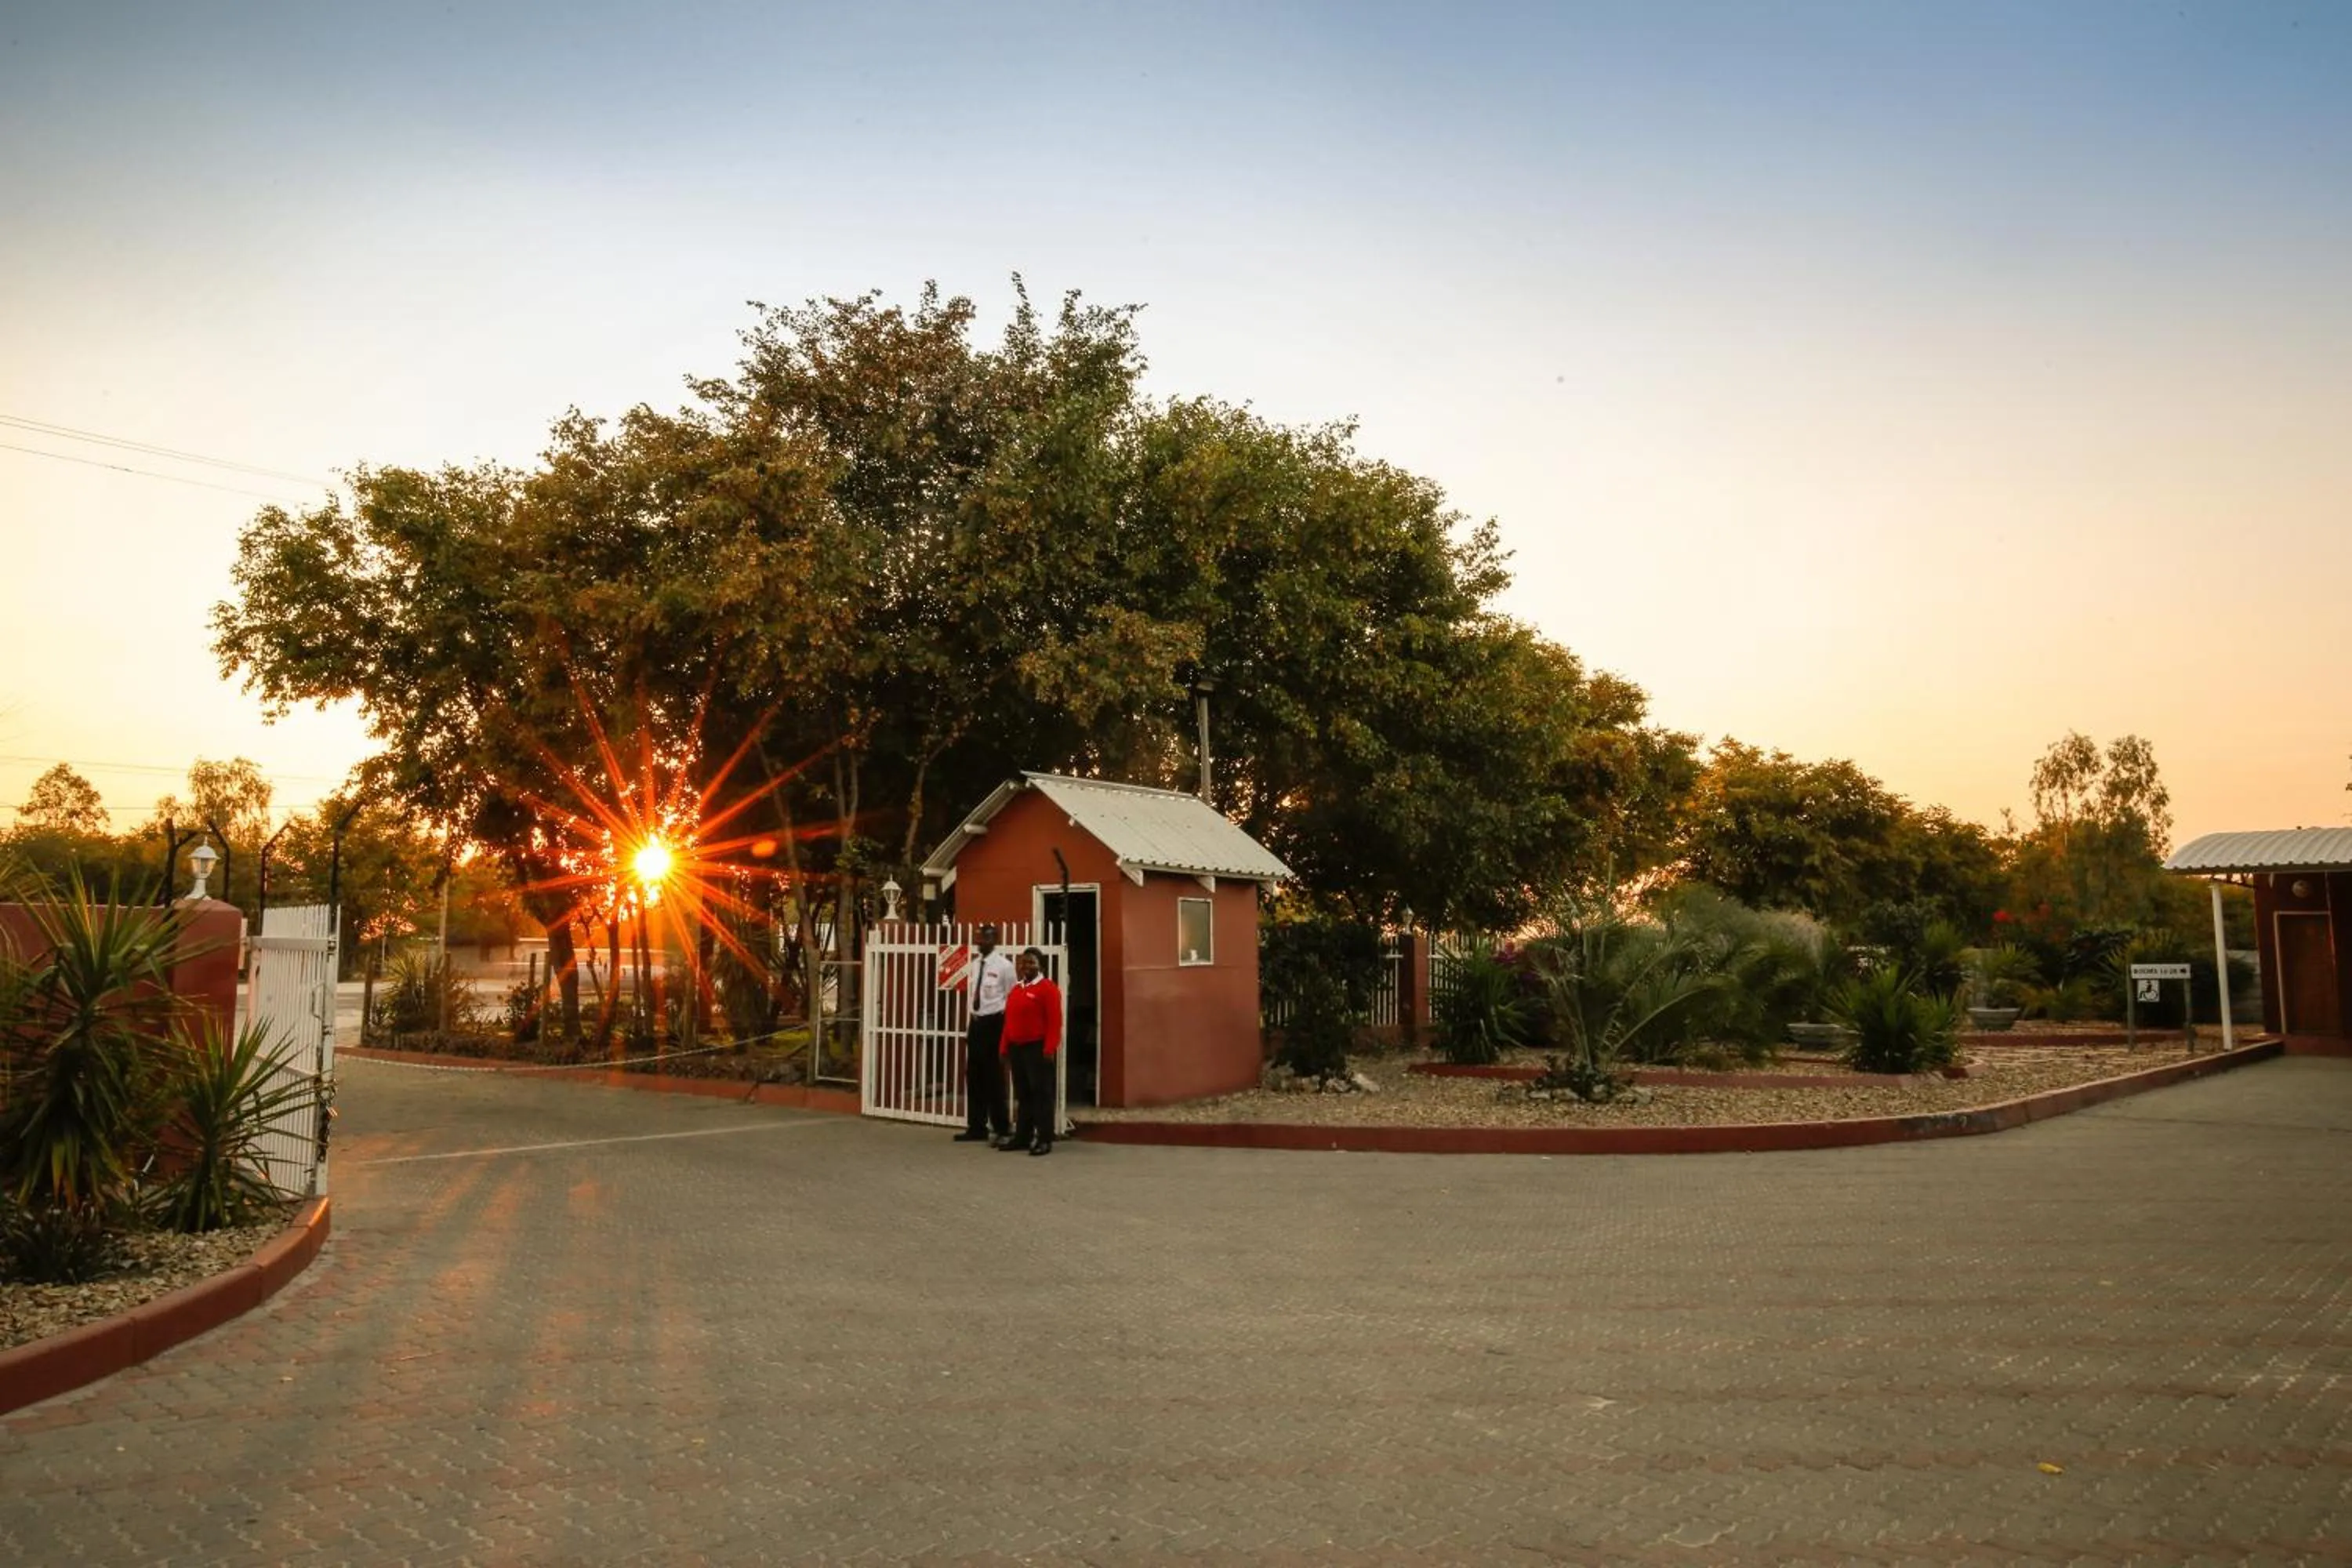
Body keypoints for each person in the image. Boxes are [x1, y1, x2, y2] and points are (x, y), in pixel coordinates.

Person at [954, 924, 1018, 1144]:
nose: (980, 942)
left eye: (985, 938)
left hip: (994, 1024)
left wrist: (1006, 1031)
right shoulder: (974, 965)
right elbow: (974, 996)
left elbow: (1011, 998)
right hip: (977, 1024)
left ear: (995, 940)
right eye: (979, 938)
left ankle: (1002, 1127)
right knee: (974, 1076)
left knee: (993, 1077)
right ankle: (976, 1127)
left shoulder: (1005, 967)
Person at [998, 946, 1063, 1157]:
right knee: (1023, 1094)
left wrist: (1050, 1048)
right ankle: (1023, 1136)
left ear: (1040, 966)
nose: (1025, 966)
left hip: (1037, 1049)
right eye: (1023, 962)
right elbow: (1009, 1021)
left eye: (1031, 962)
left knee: (1041, 1095)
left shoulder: (1048, 989)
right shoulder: (1016, 990)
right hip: (1017, 1049)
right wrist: (1004, 1047)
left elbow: (1055, 1021)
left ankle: (1044, 1138)